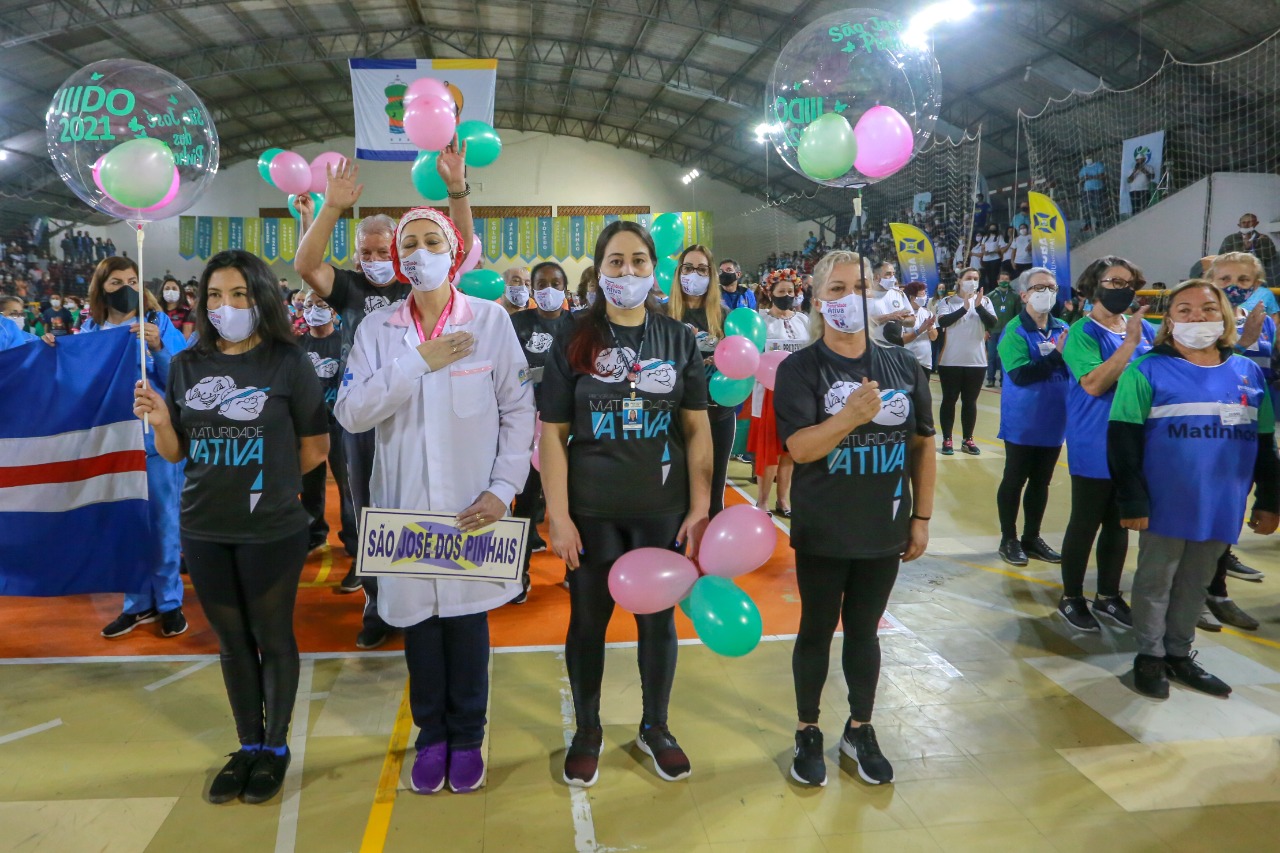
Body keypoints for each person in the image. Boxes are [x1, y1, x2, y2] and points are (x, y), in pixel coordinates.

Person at [335, 206, 533, 796]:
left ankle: (468, 736)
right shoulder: (379, 332)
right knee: (420, 627)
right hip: (405, 507)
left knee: (468, 624)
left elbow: (518, 411)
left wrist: (503, 489)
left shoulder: (491, 321)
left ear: (453, 251)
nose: (421, 254)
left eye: (432, 241)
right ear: (399, 260)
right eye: (410, 245)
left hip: (474, 505)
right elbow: (351, 411)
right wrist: (418, 361)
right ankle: (433, 736)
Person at [132, 249, 329, 805]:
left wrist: (267, 470)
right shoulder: (187, 366)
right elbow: (175, 454)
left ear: (261, 297)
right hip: (203, 526)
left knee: (271, 635)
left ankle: (275, 747)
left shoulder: (289, 363)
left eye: (239, 294)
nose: (226, 305)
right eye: (215, 295)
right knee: (231, 642)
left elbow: (315, 448)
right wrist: (164, 420)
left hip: (271, 527)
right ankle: (247, 745)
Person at [540, 220, 712, 789]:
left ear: (653, 268)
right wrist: (558, 514)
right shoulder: (573, 335)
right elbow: (553, 434)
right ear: (599, 269)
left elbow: (695, 429)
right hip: (591, 512)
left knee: (657, 621)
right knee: (588, 621)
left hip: (661, 509)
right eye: (616, 262)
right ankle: (587, 730)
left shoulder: (678, 338)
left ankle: (655, 726)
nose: (628, 271)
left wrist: (700, 506)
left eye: (639, 261)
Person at [295, 145, 473, 646]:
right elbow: (306, 263)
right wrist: (330, 207)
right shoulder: (349, 288)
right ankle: (379, 603)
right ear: (357, 256)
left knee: (434, 500)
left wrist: (457, 187)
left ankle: (440, 594)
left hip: (428, 410)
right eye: (366, 252)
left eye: (382, 251)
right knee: (369, 509)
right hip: (367, 413)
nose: (375, 260)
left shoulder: (419, 280)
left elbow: (460, 243)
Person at [774, 249, 936, 787]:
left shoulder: (904, 365)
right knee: (816, 630)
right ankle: (807, 729)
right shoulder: (801, 368)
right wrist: (848, 417)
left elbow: (922, 446)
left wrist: (922, 517)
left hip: (882, 525)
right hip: (824, 526)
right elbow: (798, 448)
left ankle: (861, 728)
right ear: (819, 299)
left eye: (861, 287)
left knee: (865, 631)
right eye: (838, 289)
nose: (850, 298)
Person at [1108, 280, 1279, 699]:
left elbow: (1264, 443)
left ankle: (1178, 654)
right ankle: (1149, 656)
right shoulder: (1146, 369)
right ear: (1168, 321)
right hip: (1166, 501)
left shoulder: (1247, 371)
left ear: (1224, 317)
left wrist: (1270, 500)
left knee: (1196, 581)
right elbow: (1123, 441)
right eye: (1184, 310)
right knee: (1156, 580)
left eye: (1206, 309)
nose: (1196, 317)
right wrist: (1132, 499)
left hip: (1223, 502)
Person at [67, 257, 189, 640]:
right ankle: (137, 605)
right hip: (111, 446)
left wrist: (159, 350)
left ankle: (169, 602)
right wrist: (57, 349)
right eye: (116, 282)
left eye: (132, 280)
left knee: (163, 524)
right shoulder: (90, 329)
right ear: (102, 287)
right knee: (125, 526)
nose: (126, 288)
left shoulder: (159, 323)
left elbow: (183, 382)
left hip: (153, 443)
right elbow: (77, 379)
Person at [1057, 256, 1157, 632]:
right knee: (1086, 520)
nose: (1122, 289)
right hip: (1095, 437)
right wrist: (1129, 343)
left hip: (1133, 439)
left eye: (1128, 282)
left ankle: (1109, 595)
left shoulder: (1145, 328)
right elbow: (1095, 384)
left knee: (1119, 522)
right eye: (1113, 282)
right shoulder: (1083, 332)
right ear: (1093, 286)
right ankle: (1071, 597)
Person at [509, 261, 576, 602]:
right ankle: (517, 572)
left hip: (568, 426)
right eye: (541, 284)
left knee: (572, 501)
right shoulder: (516, 323)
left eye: (555, 283)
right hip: (525, 426)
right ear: (533, 290)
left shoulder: (579, 325)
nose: (548, 289)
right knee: (524, 499)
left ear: (565, 289)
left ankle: (573, 570)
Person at [995, 268, 1070, 566]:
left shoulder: (1062, 327)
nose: (1046, 292)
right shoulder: (1014, 331)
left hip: (1054, 421)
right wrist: (1056, 356)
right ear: (1024, 294)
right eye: (1039, 287)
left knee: (1042, 481)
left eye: (1051, 287)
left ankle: (1031, 537)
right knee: (1015, 479)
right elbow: (1021, 375)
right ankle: (1008, 538)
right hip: (1023, 422)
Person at [670, 244, 734, 518]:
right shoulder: (663, 315)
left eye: (701, 269)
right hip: (674, 415)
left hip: (718, 411)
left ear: (711, 275)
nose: (693, 274)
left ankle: (711, 556)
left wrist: (718, 360)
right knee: (676, 487)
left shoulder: (723, 316)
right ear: (678, 273)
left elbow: (738, 362)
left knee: (714, 489)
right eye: (688, 268)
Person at [297, 288, 357, 558]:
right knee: (310, 485)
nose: (313, 310)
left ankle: (354, 543)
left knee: (348, 487)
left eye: (320, 304)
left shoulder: (347, 342)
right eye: (308, 305)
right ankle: (314, 534)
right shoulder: (296, 346)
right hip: (307, 429)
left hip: (340, 426)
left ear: (333, 310)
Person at [749, 269, 809, 517]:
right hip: (770, 393)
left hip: (798, 393)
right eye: (781, 291)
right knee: (769, 450)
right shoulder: (760, 321)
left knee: (790, 450)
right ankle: (762, 501)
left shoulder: (804, 320)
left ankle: (783, 501)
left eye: (790, 291)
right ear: (769, 293)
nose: (787, 295)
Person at [935, 268, 995, 455]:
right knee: (949, 399)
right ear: (959, 280)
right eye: (969, 278)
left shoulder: (985, 301)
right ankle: (947, 439)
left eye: (976, 278)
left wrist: (978, 306)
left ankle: (968, 439)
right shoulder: (947, 302)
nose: (973, 281)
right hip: (951, 360)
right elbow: (943, 322)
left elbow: (992, 323)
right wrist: (965, 308)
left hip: (976, 361)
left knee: (970, 402)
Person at [1217, 213, 1278, 284]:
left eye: (1249, 222)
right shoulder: (1230, 239)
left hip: (1259, 276)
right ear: (1239, 225)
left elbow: (1270, 256)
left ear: (1256, 223)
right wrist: (1245, 248)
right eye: (1243, 222)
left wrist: (1254, 246)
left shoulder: (1264, 239)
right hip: (1235, 276)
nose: (1246, 225)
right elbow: (1222, 258)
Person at [985, 271, 1021, 387]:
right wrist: (986, 329)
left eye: (1006, 279)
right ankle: (990, 379)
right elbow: (985, 315)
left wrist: (1015, 331)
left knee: (1004, 356)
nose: (1004, 281)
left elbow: (1018, 315)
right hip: (992, 331)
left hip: (1007, 333)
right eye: (1002, 279)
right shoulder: (990, 296)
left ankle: (1003, 380)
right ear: (998, 281)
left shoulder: (1015, 296)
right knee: (991, 356)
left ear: (1009, 281)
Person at [868, 261, 914, 346]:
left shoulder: (899, 294)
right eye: (888, 274)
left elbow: (912, 320)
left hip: (897, 348)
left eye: (893, 274)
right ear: (876, 277)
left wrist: (901, 320)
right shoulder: (865, 297)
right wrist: (889, 317)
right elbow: (864, 323)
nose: (893, 278)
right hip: (875, 348)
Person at [900, 282, 937, 373]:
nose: (924, 297)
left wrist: (930, 328)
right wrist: (920, 330)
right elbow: (902, 339)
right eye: (921, 295)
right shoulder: (903, 314)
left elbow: (934, 337)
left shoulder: (927, 313)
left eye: (924, 294)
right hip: (907, 361)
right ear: (912, 297)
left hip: (925, 362)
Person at [1079, 156, 1108, 231]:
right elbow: (1080, 179)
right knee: (1086, 207)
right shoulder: (1084, 168)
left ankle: (1100, 223)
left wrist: (1091, 177)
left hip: (1097, 189)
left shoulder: (1098, 165)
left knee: (1098, 206)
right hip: (1087, 190)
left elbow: (1102, 176)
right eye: (1086, 158)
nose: (1088, 159)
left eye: (1089, 157)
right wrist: (1084, 178)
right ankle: (1088, 224)